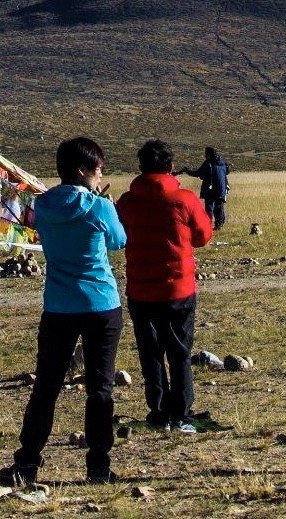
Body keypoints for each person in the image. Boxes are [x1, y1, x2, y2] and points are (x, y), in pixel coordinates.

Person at [3, 136, 130, 488]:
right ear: (82, 170)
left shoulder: (43, 206)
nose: (100, 171)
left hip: (59, 305)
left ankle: (27, 462)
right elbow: (119, 241)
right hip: (100, 304)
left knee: (46, 386)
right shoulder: (98, 207)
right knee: (100, 387)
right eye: (96, 167)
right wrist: (103, 207)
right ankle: (98, 467)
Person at [117, 139, 216, 433]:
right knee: (179, 352)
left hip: (141, 290)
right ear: (171, 168)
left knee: (151, 352)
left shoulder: (127, 202)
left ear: (141, 167)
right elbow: (202, 236)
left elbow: (118, 236)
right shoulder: (184, 199)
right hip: (178, 289)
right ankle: (181, 412)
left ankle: (158, 411)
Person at [183, 147, 232, 230]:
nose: (204, 155)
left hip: (210, 187)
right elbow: (228, 171)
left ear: (208, 154)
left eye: (205, 153)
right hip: (221, 186)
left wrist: (187, 171)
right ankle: (219, 224)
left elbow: (198, 173)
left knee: (209, 206)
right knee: (219, 206)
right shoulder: (223, 161)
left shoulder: (208, 162)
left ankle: (208, 225)